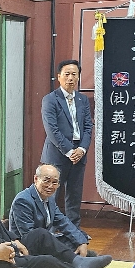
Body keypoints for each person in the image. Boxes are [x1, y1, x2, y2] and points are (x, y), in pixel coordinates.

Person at [0, 159, 131, 268]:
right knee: (46, 251)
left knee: (75, 245)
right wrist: (15, 243)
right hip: (14, 248)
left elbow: (63, 221)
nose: (50, 186)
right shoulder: (23, 200)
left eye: (55, 182)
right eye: (46, 181)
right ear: (36, 179)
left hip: (14, 244)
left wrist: (81, 241)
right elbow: (17, 234)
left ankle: (78, 261)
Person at [41, 60, 93, 228]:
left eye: (74, 74)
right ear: (59, 77)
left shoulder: (82, 100)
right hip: (57, 155)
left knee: (74, 195)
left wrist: (82, 149)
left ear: (78, 77)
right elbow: (52, 130)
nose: (70, 78)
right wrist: (70, 151)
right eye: (67, 74)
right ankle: (49, 231)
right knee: (51, 194)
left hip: (79, 153)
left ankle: (73, 231)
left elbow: (88, 126)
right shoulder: (50, 99)